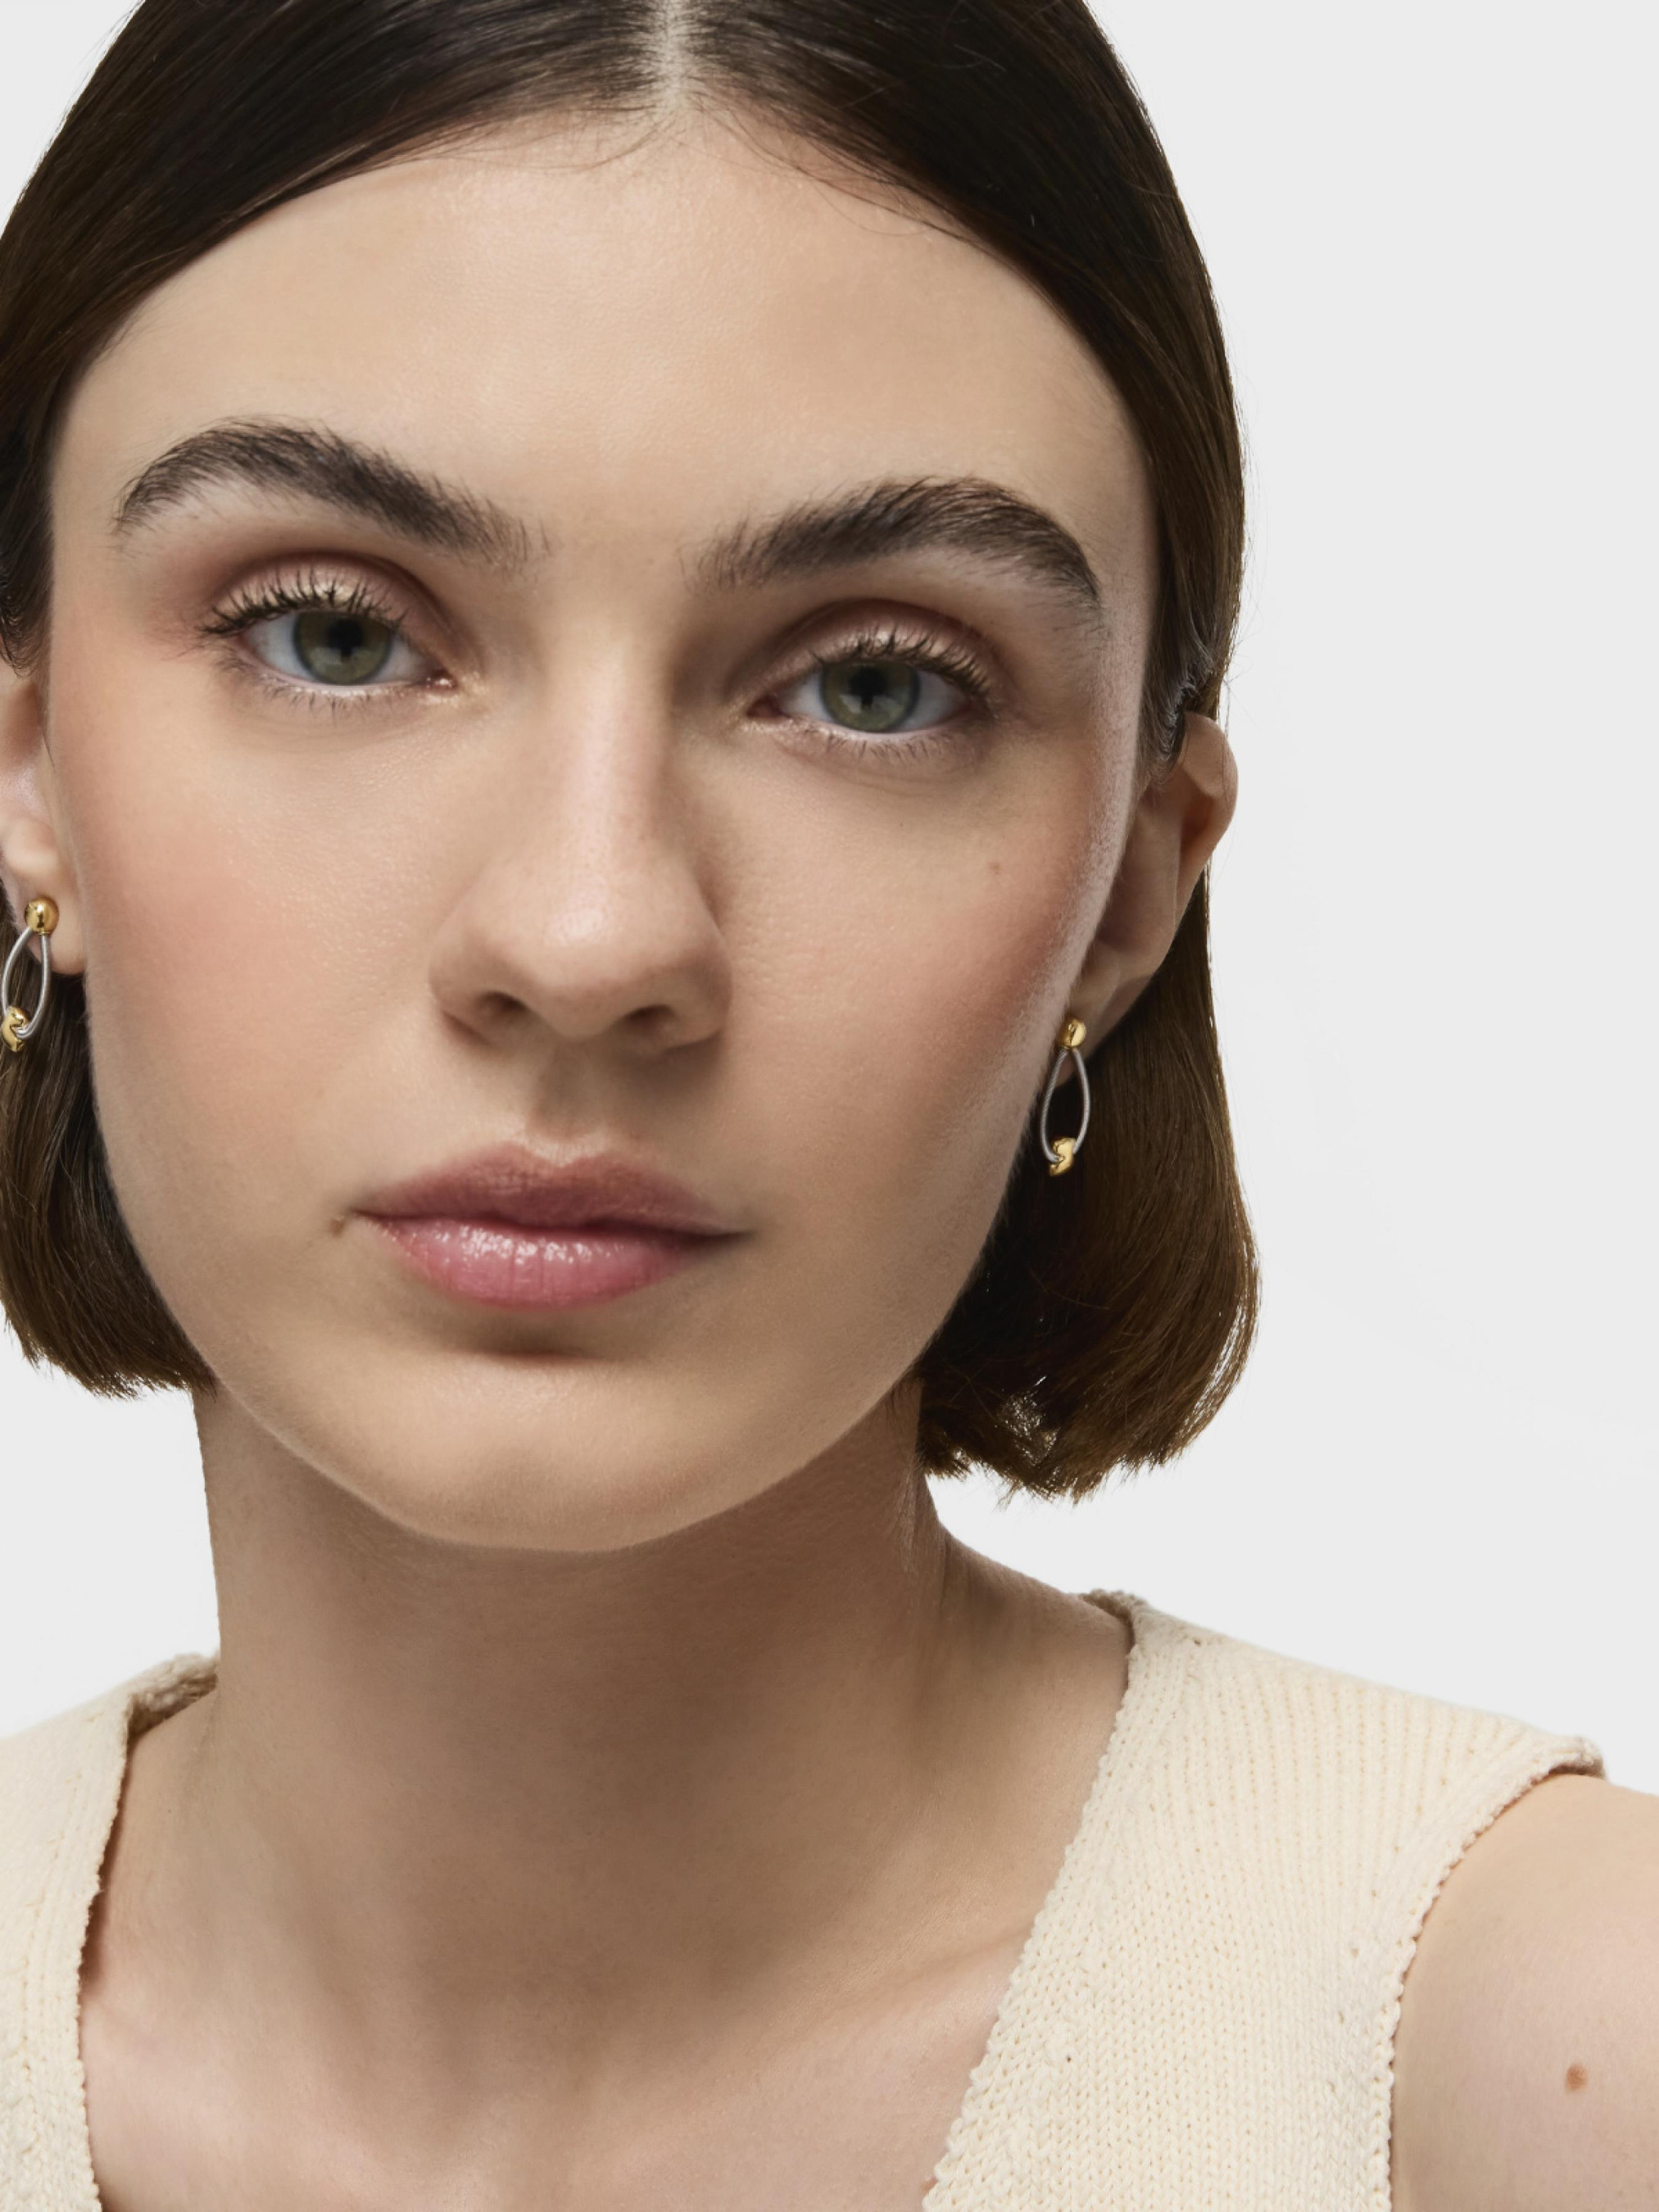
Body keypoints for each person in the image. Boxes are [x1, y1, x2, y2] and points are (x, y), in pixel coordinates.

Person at [0, 2, 1653, 2205]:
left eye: (873, 687)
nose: (588, 931)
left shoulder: (1546, 2066)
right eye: (336, 636)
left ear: (1130, 894)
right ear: (28, 769)